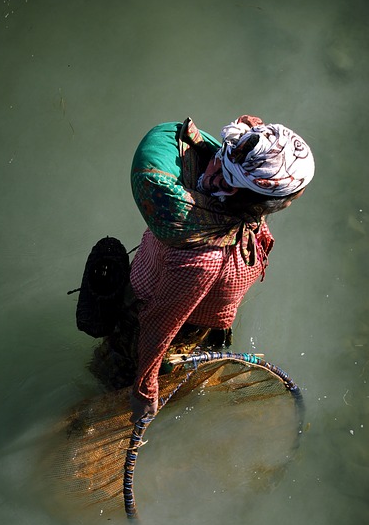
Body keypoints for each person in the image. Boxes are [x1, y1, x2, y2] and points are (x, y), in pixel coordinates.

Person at [128, 115, 315, 423]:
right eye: (286, 199)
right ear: (258, 201)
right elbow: (159, 322)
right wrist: (145, 387)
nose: (291, 201)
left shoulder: (221, 171)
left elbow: (251, 136)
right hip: (158, 329)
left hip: (182, 305)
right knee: (121, 381)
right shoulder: (204, 259)